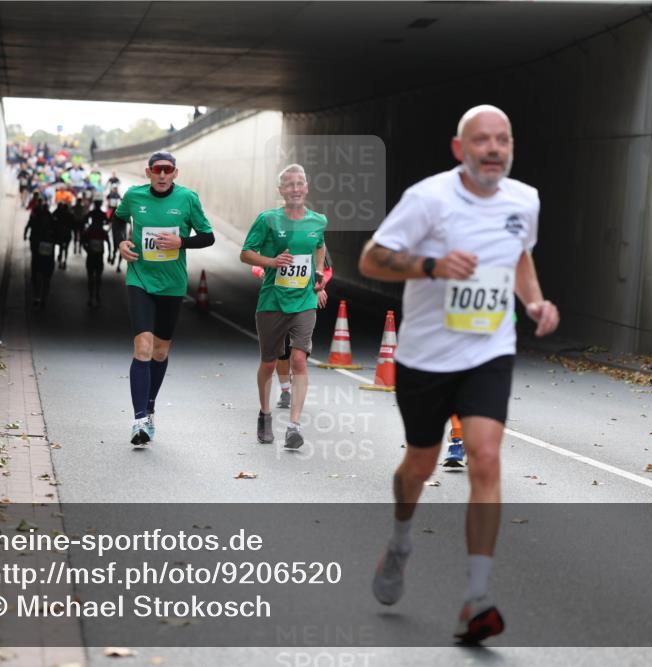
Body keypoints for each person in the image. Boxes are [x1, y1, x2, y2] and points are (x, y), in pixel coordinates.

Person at [359, 105, 559, 643]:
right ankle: (401, 540)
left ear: (512, 146)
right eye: (482, 141)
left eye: (503, 140)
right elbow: (371, 259)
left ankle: (477, 598)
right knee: (419, 465)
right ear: (459, 149)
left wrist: (536, 303)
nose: (493, 149)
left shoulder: (525, 200)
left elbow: (519, 258)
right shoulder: (429, 199)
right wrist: (431, 265)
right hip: (425, 356)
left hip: (490, 349)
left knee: (486, 456)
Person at [114, 151, 215, 446]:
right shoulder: (134, 196)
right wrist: (120, 242)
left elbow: (208, 236)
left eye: (167, 170)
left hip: (172, 284)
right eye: (156, 170)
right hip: (140, 279)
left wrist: (181, 241)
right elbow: (117, 221)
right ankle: (139, 420)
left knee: (160, 351)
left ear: (174, 173)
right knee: (142, 345)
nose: (161, 175)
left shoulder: (188, 199)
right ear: (148, 173)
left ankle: (151, 404)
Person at [239, 164, 328, 448]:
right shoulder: (267, 220)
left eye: (299, 183)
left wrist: (317, 273)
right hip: (272, 301)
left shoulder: (318, 221)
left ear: (306, 188)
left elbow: (320, 246)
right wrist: (271, 263)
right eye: (289, 185)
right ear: (281, 191)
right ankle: (265, 414)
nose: (295, 189)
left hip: (304, 301)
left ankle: (294, 425)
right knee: (268, 363)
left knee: (299, 360)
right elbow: (245, 254)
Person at [251, 253, 333, 409]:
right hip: (277, 301)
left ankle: (295, 406)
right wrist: (263, 273)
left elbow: (327, 270)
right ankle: (285, 389)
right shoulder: (275, 236)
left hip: (303, 302)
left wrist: (320, 284)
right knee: (281, 351)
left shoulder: (313, 237)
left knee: (299, 356)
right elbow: (255, 264)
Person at [24, 203, 58, 308]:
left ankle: (39, 297)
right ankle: (41, 298)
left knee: (39, 275)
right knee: (45, 277)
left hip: (42, 253)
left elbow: (29, 228)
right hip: (46, 254)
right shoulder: (51, 220)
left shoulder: (38, 220)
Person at [83, 201, 112, 307]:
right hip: (99, 256)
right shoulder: (102, 229)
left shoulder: (89, 230)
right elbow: (108, 222)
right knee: (98, 277)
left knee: (91, 277)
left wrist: (87, 249)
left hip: (91, 256)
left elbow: (83, 241)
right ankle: (97, 294)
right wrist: (110, 255)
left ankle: (91, 297)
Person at [52, 201, 75, 270]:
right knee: (66, 248)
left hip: (61, 233)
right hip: (68, 233)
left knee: (61, 247)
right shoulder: (70, 215)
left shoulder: (59, 213)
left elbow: (53, 218)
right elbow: (73, 224)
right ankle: (65, 260)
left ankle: (60, 261)